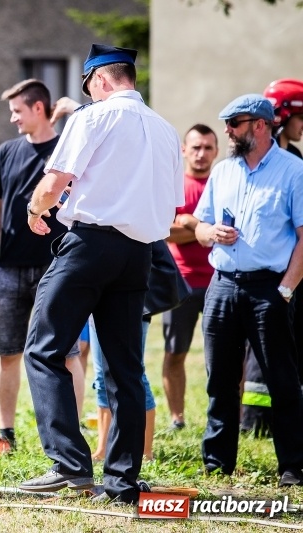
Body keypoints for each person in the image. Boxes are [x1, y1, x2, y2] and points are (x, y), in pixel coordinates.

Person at [18, 44, 183, 504]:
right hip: (140, 253)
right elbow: (171, 205)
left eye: (90, 87)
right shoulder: (167, 130)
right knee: (126, 369)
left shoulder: (92, 117)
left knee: (44, 349)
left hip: (90, 246)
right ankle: (122, 480)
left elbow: (53, 184)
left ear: (100, 80)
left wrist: (35, 208)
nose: (89, 95)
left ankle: (70, 464)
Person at [190, 93, 303, 487]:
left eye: (233, 123)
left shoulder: (293, 171)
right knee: (219, 380)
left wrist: (286, 290)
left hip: (268, 291)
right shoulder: (224, 172)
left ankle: (293, 466)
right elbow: (199, 226)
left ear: (259, 125)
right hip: (222, 286)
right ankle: (217, 463)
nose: (227, 130)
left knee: (282, 380)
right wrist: (210, 233)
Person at [0, 79, 84, 456]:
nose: (12, 119)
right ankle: (5, 434)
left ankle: (70, 436)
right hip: (8, 268)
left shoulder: (68, 149)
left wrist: (73, 110)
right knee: (8, 352)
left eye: (18, 111)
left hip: (57, 264)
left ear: (38, 109)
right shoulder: (7, 152)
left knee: (66, 352)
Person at [240, 80, 303, 435]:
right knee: (260, 352)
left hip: (292, 274)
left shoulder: (293, 160)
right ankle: (255, 422)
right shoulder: (256, 161)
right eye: (301, 115)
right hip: (267, 276)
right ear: (285, 115)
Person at [162, 124, 218, 430]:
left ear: (216, 152)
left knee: (224, 358)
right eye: (195, 147)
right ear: (184, 150)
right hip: (180, 282)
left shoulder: (221, 185)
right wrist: (205, 230)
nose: (201, 153)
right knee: (175, 352)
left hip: (218, 283)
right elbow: (164, 231)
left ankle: (224, 418)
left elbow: (227, 233)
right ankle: (177, 418)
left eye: (208, 147)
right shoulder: (174, 186)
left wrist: (192, 223)